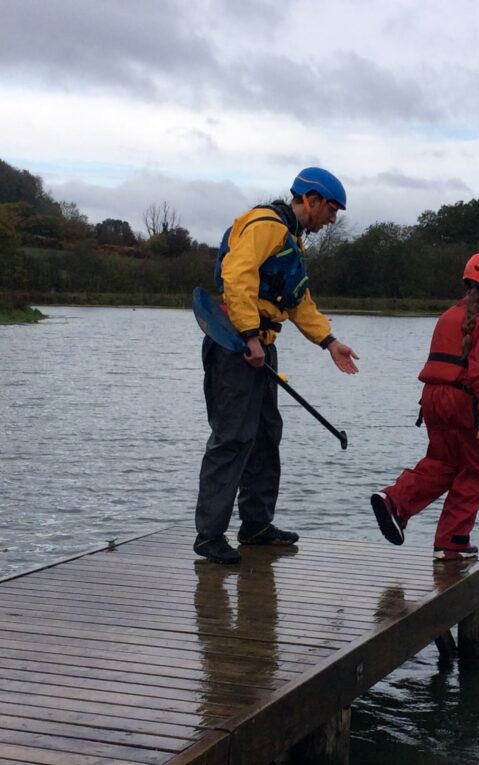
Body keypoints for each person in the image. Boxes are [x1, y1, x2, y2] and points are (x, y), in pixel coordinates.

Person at [194, 167, 359, 564]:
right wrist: (250, 335)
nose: (332, 220)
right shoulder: (266, 225)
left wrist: (330, 342)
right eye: (332, 210)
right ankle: (209, 537)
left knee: (266, 436)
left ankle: (256, 525)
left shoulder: (291, 239)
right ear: (312, 200)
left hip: (261, 347)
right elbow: (237, 276)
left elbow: (299, 302)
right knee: (232, 438)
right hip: (236, 347)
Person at [370, 251, 479, 560]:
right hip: (464, 401)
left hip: (432, 399)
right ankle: (453, 541)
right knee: (475, 471)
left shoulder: (449, 314)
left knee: (442, 462)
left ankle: (394, 500)